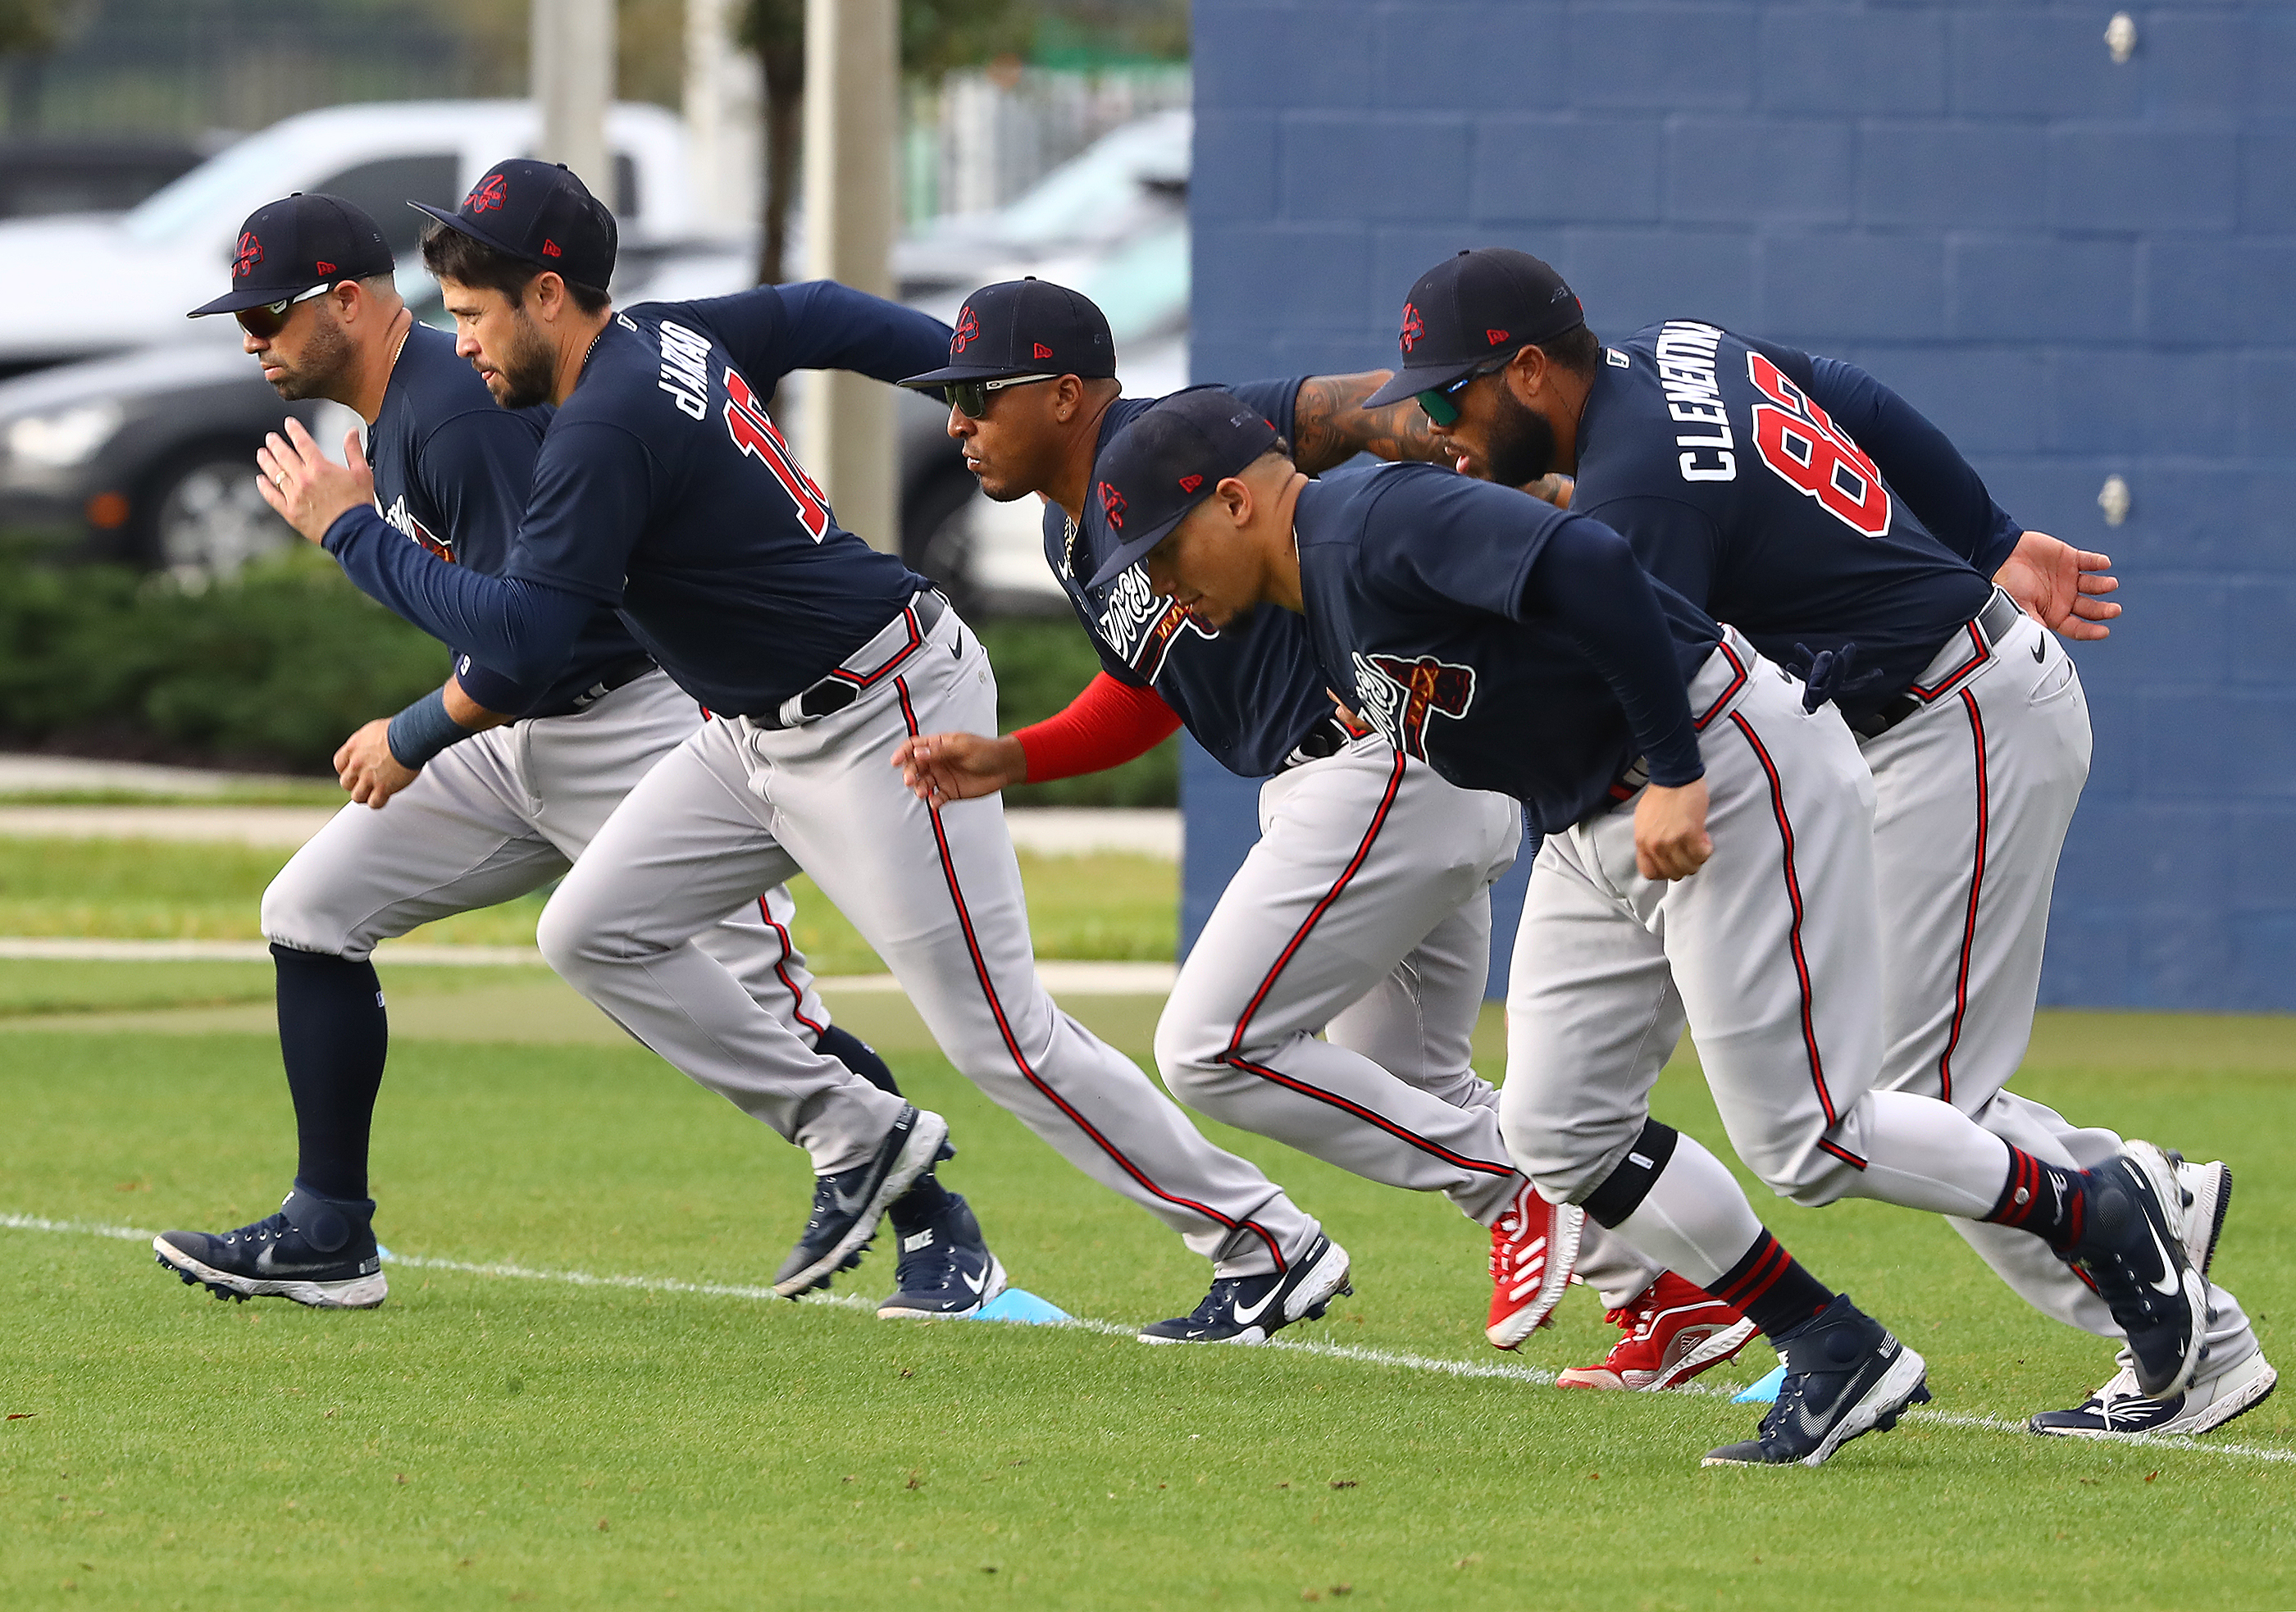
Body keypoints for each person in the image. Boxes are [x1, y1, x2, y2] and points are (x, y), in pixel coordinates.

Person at [253, 160, 1350, 1341]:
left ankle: (1268, 1242)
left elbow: (520, 650)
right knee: (591, 929)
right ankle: (864, 1132)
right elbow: (817, 310)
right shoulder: (655, 339)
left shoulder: (605, 421)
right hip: (750, 729)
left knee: (1002, 1037)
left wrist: (353, 531)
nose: (457, 340)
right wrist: (977, 386)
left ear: (553, 295)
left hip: (885, 709)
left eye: (474, 314)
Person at [1086, 385, 2204, 1468]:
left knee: (1809, 1138)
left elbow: (1594, 561)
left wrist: (1673, 767)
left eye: (1165, 555)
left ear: (1235, 502)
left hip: (1716, 760)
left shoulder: (1372, 519)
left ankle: (2090, 1208)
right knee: (1558, 1126)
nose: (1166, 594)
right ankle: (1830, 1342)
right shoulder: (1316, 592)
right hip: (1593, 812)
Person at [1385, 245, 2273, 1437]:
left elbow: (1645, 673)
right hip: (1928, 706)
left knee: (1910, 1103)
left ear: (1532, 370)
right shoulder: (1677, 350)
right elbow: (1844, 389)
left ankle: (2186, 1326)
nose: (1440, 420)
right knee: (1908, 1099)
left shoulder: (1636, 495)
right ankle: (2150, 1200)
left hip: (1957, 724)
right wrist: (1990, 530)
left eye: (1453, 394)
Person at [151, 191, 950, 1314]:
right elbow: (510, 643)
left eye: (269, 311)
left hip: (631, 722)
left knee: (775, 1021)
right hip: (518, 730)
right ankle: (330, 1229)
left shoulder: (448, 415)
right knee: (310, 909)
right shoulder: (412, 408)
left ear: (344, 300)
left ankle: (938, 1228)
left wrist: (362, 571)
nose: (250, 337)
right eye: (241, 315)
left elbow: (533, 640)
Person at [888, 277, 1592, 1349]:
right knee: (1418, 1080)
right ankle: (1687, 1280)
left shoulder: (1193, 432)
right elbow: (1146, 687)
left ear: (1068, 393)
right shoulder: (1066, 536)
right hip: (1362, 790)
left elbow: (1365, 409)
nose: (959, 424)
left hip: (1384, 764)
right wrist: (1018, 755)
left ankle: (1507, 1187)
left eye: (982, 394)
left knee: (1213, 1044)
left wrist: (1511, 468)